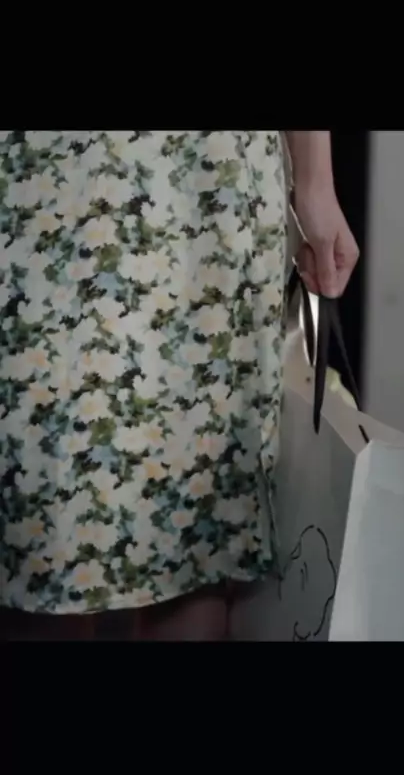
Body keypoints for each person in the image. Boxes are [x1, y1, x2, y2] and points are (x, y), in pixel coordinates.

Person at [0, 130, 358, 641]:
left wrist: (317, 182)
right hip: (35, 173)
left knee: (190, 539)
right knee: (38, 531)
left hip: (199, 176)